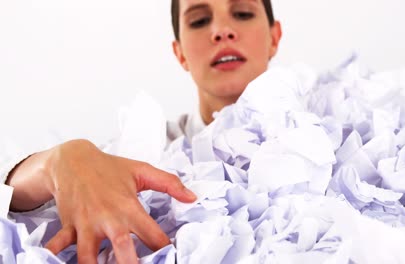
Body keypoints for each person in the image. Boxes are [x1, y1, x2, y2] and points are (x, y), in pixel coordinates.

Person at [3, 0, 282, 263]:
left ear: (274, 37)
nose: (222, 31)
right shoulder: (132, 156)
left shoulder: (324, 135)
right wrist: (58, 163)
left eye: (243, 13)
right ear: (180, 53)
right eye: (199, 20)